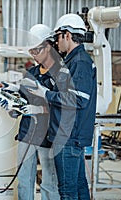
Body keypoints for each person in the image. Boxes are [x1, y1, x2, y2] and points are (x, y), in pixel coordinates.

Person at [26, 13, 97, 200]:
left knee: (67, 192)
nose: (56, 42)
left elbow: (78, 99)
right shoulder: (73, 60)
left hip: (68, 136)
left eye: (57, 36)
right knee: (80, 187)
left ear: (67, 34)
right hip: (69, 135)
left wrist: (46, 94)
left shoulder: (79, 62)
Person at [0, 24, 61, 200]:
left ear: (48, 46)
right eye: (31, 51)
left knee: (49, 181)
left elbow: (62, 104)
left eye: (36, 50)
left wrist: (38, 109)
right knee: (25, 178)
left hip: (48, 134)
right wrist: (12, 95)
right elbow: (25, 95)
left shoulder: (60, 73)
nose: (33, 55)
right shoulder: (32, 72)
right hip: (28, 132)